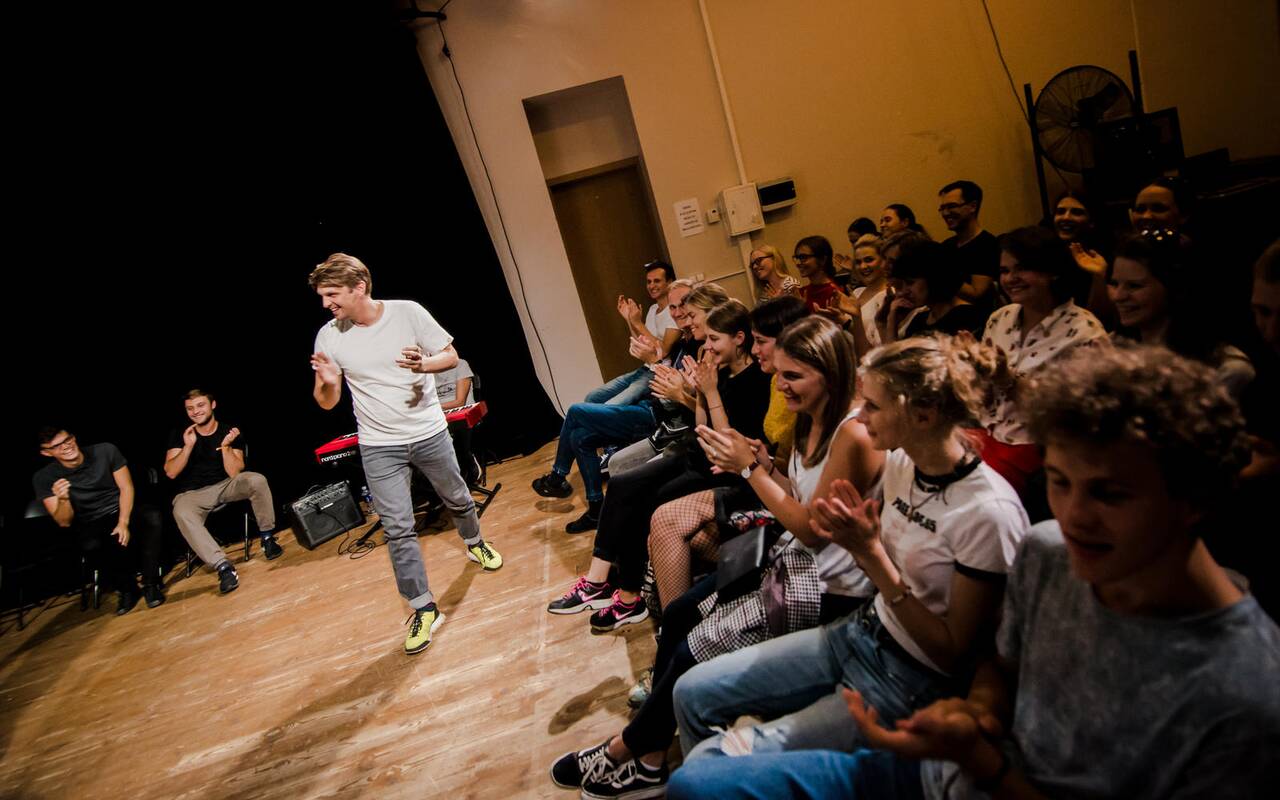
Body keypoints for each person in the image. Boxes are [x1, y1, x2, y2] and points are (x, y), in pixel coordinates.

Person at [669, 344, 1280, 799]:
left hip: (955, 745)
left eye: (1111, 494)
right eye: (1059, 483)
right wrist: (979, 709)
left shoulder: (1244, 693)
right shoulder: (1049, 551)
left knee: (707, 776)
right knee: (696, 758)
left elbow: (954, 650)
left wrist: (981, 757)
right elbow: (997, 662)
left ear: (1194, 496)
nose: (1074, 517)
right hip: (900, 687)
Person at [549, 316, 882, 799]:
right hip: (788, 550)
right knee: (680, 611)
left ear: (829, 374)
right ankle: (647, 744)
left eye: (792, 375)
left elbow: (812, 529)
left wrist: (750, 469)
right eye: (780, 372)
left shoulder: (851, 433)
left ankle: (634, 749)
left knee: (692, 643)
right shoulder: (811, 417)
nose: (779, 384)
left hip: (821, 578)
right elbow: (795, 493)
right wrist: (763, 464)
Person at [673, 334, 1029, 764]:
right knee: (690, 691)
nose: (861, 415)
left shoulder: (987, 513)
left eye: (874, 406)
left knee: (709, 765)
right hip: (865, 630)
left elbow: (953, 655)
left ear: (922, 415)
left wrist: (870, 554)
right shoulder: (903, 463)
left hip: (911, 675)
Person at [309, 253, 502, 656]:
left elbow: (450, 356)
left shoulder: (407, 312)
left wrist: (424, 365)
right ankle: (423, 608)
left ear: (359, 287)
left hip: (429, 432)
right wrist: (326, 382)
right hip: (379, 445)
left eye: (332, 294)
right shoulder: (329, 336)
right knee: (397, 527)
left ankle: (474, 541)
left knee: (458, 498)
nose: (326, 303)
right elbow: (327, 402)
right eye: (322, 296)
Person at [547, 299, 771, 629]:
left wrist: (705, 392)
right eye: (707, 338)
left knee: (642, 498)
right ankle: (602, 584)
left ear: (739, 338)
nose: (707, 346)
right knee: (622, 483)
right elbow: (701, 426)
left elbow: (726, 444)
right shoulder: (719, 370)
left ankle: (625, 597)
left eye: (714, 339)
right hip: (696, 450)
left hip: (719, 468)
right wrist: (700, 390)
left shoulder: (756, 380)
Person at [533, 280, 717, 532]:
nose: (677, 312)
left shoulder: (699, 346)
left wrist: (655, 362)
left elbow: (675, 398)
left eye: (684, 306)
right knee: (580, 436)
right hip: (652, 405)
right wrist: (637, 331)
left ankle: (558, 476)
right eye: (673, 307)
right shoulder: (687, 341)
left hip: (658, 419)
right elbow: (665, 377)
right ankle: (596, 508)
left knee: (576, 411)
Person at [977, 226, 1108, 499]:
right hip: (987, 435)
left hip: (1040, 448)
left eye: (1022, 269)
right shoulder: (1000, 318)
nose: (1010, 279)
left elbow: (1069, 419)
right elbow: (984, 399)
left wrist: (1007, 379)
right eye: (1004, 271)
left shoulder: (1083, 331)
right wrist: (973, 372)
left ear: (1052, 272)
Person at [1107, 230, 1255, 402]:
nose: (1118, 296)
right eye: (1115, 284)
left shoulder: (1226, 369)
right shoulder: (1111, 347)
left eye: (1134, 286)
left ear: (1175, 288)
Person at [164, 389, 284, 595]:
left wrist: (226, 447)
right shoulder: (180, 434)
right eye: (190, 408)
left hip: (226, 485)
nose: (195, 411)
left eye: (200, 405)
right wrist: (188, 446)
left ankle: (267, 538)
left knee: (256, 480)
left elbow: (234, 472)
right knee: (181, 512)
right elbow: (171, 472)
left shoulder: (229, 431)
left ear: (212, 405)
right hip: (192, 494)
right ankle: (223, 567)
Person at [33, 427, 165, 613]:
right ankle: (127, 589)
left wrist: (123, 522)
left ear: (73, 437)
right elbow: (64, 521)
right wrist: (62, 499)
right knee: (92, 543)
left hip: (121, 506)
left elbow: (126, 488)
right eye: (56, 446)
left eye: (67, 440)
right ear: (46, 453)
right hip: (91, 518)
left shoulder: (104, 451)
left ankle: (151, 583)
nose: (66, 446)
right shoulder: (44, 478)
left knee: (152, 517)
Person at [881, 239, 985, 342]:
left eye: (910, 283)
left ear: (933, 277)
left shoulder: (967, 317)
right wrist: (891, 323)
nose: (904, 291)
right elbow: (896, 353)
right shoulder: (919, 319)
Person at [938, 180, 1000, 312]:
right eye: (942, 208)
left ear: (973, 206)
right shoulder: (946, 246)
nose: (945, 213)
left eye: (952, 206)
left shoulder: (986, 245)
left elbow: (977, 294)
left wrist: (938, 271)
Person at [434, 355, 483, 486]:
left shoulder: (460, 364)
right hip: (437, 414)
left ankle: (468, 461)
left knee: (455, 431)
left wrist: (432, 408)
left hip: (463, 412)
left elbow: (459, 402)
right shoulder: (425, 372)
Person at [794, 235, 846, 313]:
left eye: (803, 257)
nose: (798, 263)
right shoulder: (802, 292)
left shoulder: (834, 293)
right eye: (797, 258)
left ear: (822, 259)